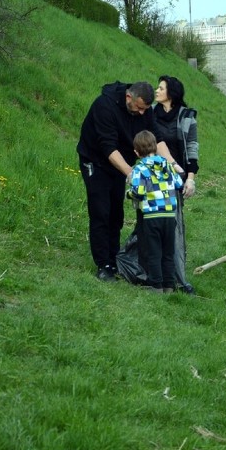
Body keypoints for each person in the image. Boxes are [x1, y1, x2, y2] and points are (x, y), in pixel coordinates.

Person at [77, 80, 177, 282]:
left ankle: (114, 258)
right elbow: (107, 147)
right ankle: (103, 265)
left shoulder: (145, 110)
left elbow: (156, 139)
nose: (142, 113)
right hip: (96, 161)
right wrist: (132, 174)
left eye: (145, 109)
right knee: (101, 211)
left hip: (121, 163)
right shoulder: (104, 106)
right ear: (128, 97)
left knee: (116, 212)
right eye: (139, 108)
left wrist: (173, 165)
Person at [152, 75, 199, 294]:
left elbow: (192, 147)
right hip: (153, 178)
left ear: (171, 93)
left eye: (160, 88)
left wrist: (190, 178)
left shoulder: (187, 116)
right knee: (151, 225)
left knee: (174, 226)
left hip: (176, 179)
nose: (156, 90)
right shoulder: (149, 114)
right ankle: (150, 271)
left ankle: (177, 276)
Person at [126, 130, 184, 292]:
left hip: (152, 216)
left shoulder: (140, 169)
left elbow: (138, 192)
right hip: (169, 216)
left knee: (154, 252)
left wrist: (128, 193)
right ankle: (169, 285)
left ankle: (156, 285)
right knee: (168, 252)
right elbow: (179, 184)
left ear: (136, 152)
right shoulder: (166, 164)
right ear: (155, 147)